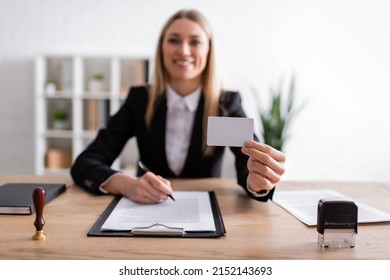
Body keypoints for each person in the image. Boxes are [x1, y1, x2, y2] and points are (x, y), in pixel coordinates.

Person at [70, 9, 286, 204]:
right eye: (174, 40)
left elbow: (247, 165)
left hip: (206, 213)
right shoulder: (140, 100)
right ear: (161, 48)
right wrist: (127, 184)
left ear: (209, 50)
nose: (183, 50)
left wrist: (257, 181)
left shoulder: (225, 105)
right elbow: (86, 163)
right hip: (145, 209)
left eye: (195, 42)